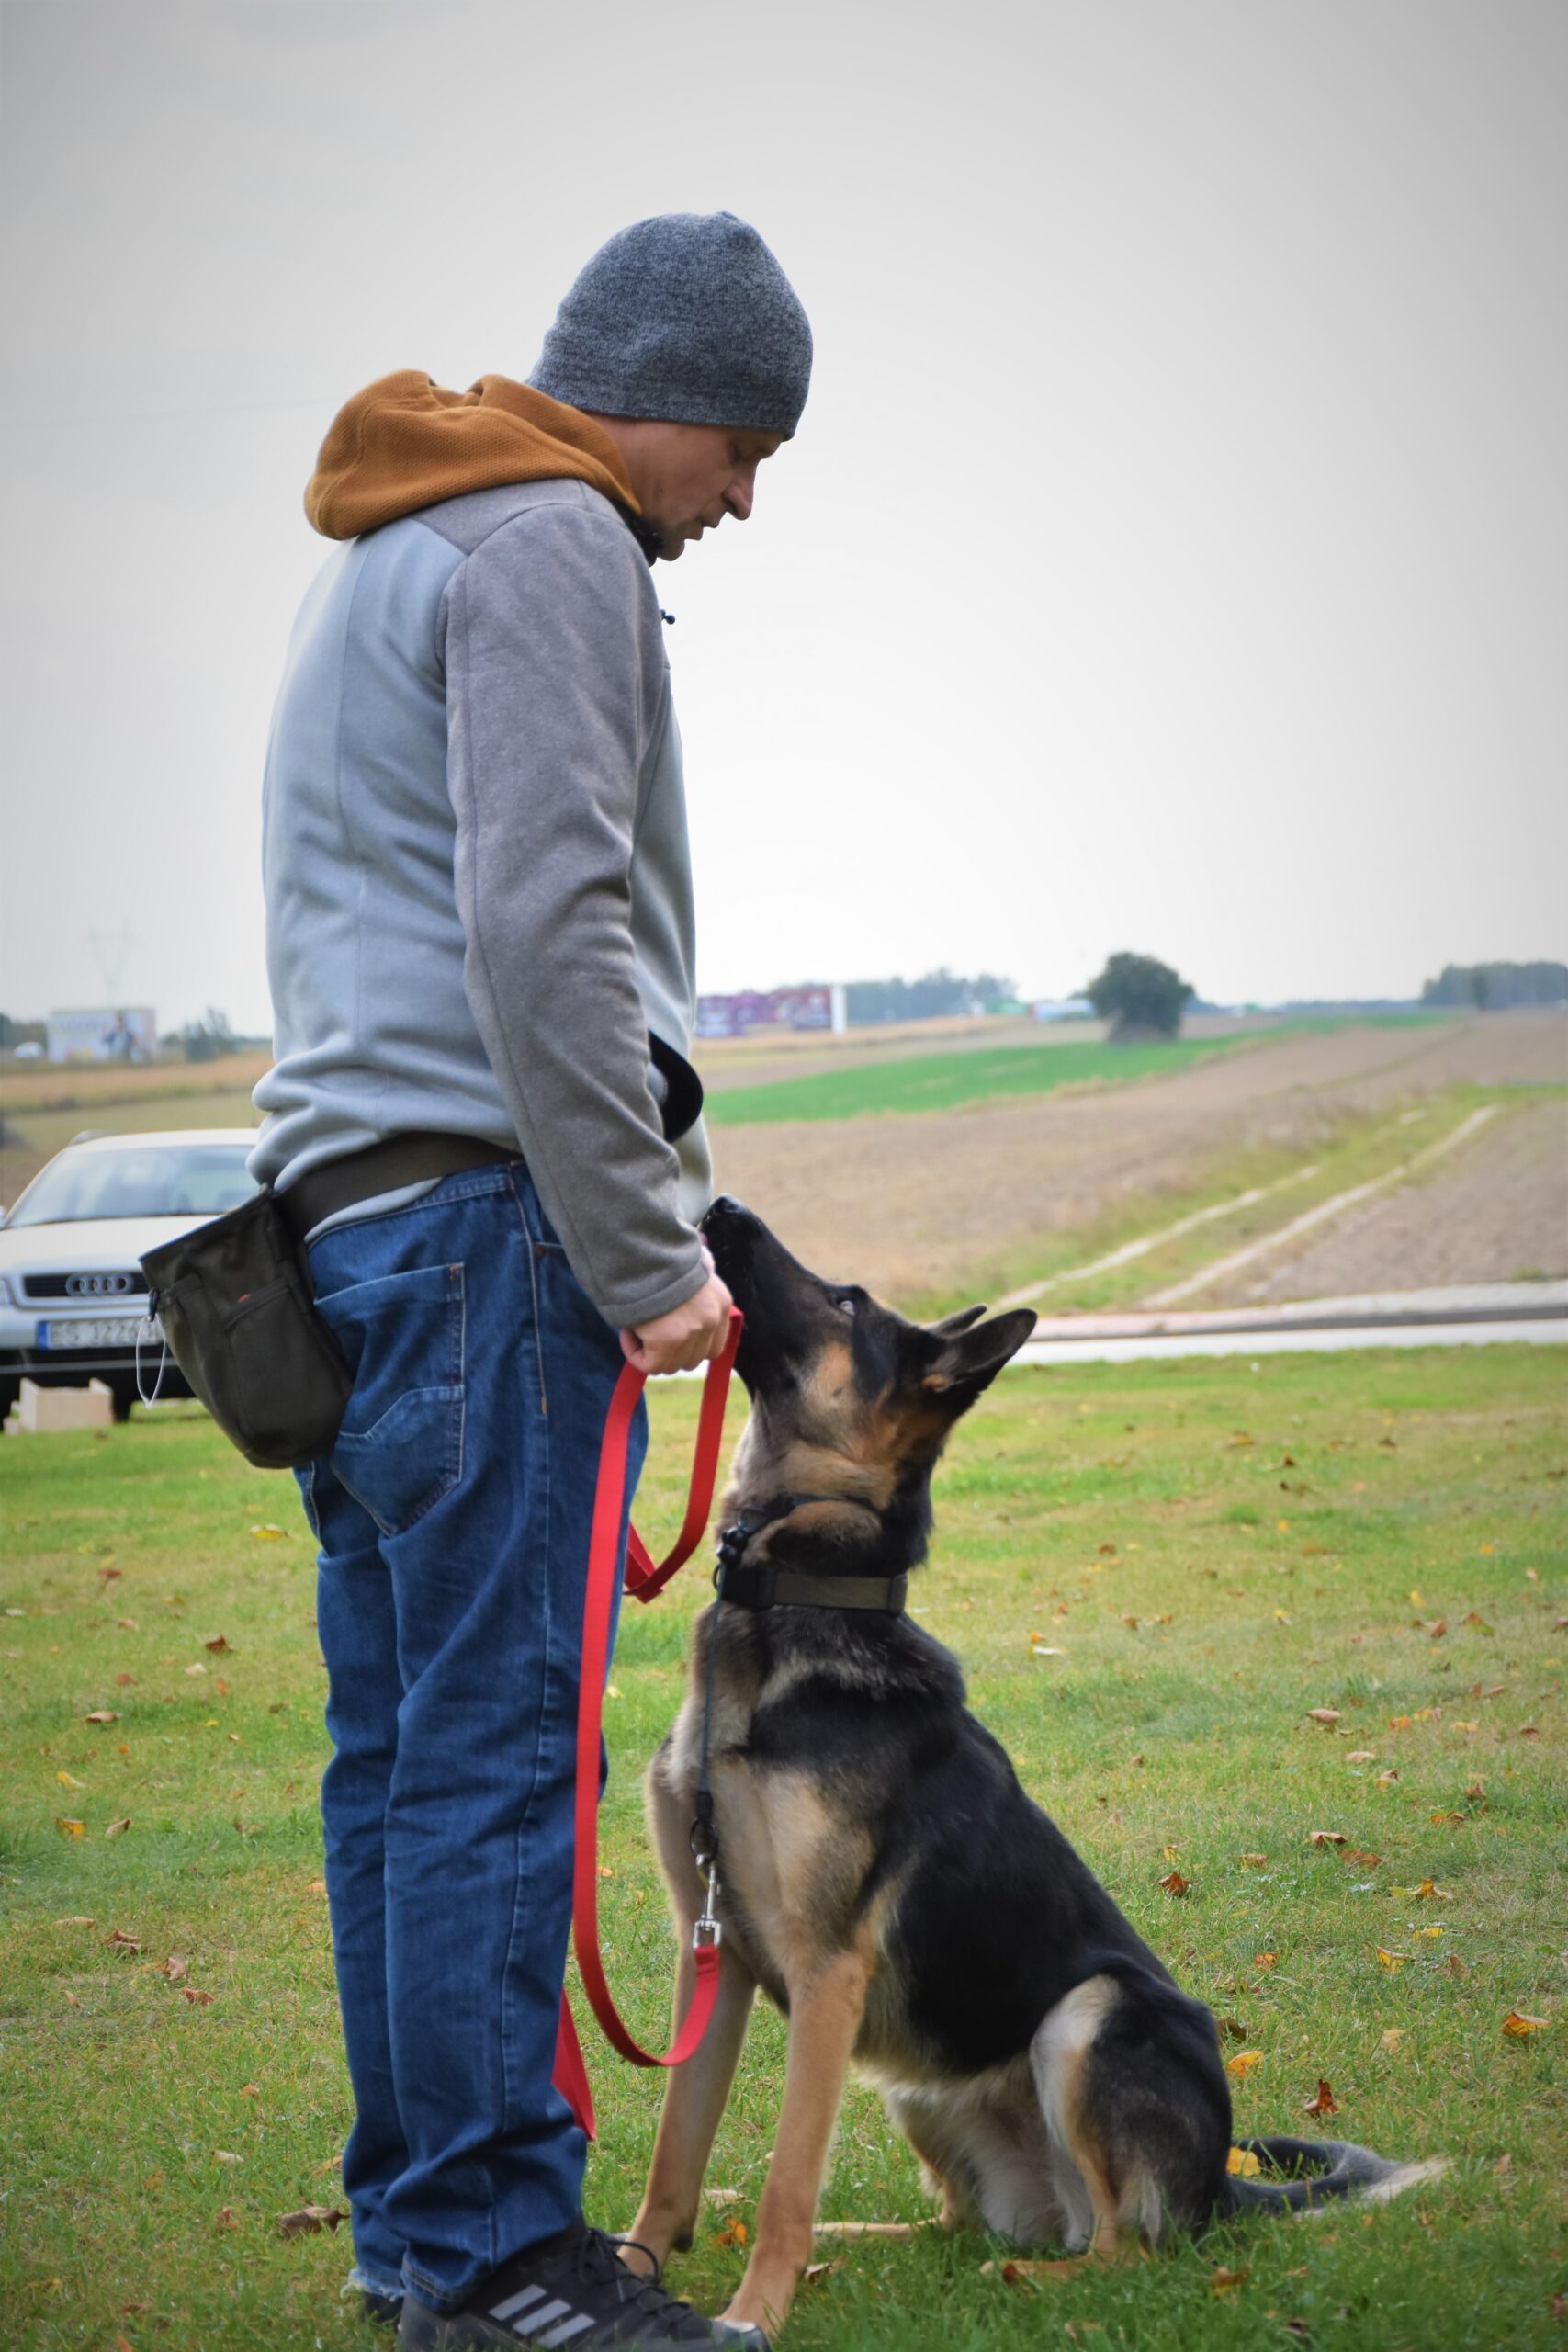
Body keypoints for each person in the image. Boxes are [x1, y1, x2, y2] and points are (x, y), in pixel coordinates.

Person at [250, 213, 811, 2350]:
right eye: (746, 447)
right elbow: (543, 921)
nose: (741, 499)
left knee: (397, 1753)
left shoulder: (388, 543)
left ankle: (423, 2237)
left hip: (349, 1231)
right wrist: (649, 1254)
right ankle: (499, 2261)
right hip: (491, 1231)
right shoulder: (554, 536)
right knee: (489, 1748)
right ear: (670, 394)